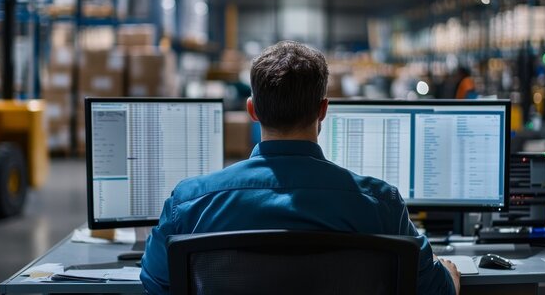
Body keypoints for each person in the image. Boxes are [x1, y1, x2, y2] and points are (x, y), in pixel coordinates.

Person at [140, 40, 460, 294]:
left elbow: (156, 281)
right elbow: (434, 291)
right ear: (323, 110)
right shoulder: (381, 204)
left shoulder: (190, 203)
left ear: (252, 109)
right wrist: (448, 274)